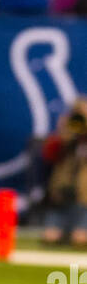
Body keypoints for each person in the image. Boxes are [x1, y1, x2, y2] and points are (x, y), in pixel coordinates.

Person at [40, 98, 87, 248]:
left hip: (83, 201)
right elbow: (49, 155)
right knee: (50, 238)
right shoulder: (65, 139)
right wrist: (65, 132)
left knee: (79, 240)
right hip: (61, 198)